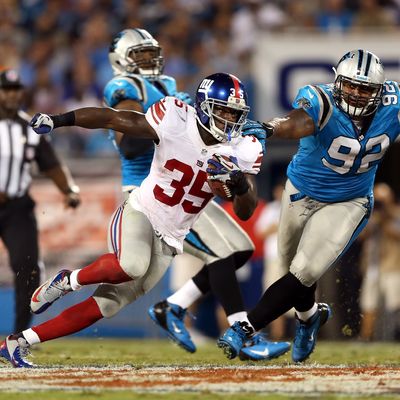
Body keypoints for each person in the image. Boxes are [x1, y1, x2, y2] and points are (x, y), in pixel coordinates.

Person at [0, 72, 288, 368]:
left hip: (173, 236)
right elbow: (113, 119)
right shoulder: (176, 118)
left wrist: (239, 185)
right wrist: (59, 120)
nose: (229, 119)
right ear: (203, 106)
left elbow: (245, 210)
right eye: (223, 110)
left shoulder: (242, 147)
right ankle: (68, 280)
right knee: (132, 264)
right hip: (142, 210)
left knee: (107, 305)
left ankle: (18, 342)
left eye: (234, 113)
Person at [103, 28, 288, 357]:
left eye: (151, 53)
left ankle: (173, 306)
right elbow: (131, 146)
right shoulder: (124, 88)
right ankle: (243, 333)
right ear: (121, 60)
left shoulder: (170, 87)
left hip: (187, 190)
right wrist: (161, 116)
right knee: (221, 253)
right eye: (139, 55)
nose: (148, 60)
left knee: (241, 249)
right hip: (153, 192)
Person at [217, 49, 400, 362]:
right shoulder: (320, 99)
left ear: (379, 91)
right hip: (300, 193)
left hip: (349, 200)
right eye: (350, 85)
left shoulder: (393, 105)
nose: (356, 93)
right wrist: (271, 129)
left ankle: (246, 328)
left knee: (304, 270)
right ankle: (309, 318)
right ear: (337, 82)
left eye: (365, 88)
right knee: (292, 272)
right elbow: (298, 122)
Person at [0, 68, 81, 333]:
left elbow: (51, 164)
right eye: (6, 90)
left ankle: (18, 336)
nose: (12, 95)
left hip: (17, 208)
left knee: (28, 269)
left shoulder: (30, 129)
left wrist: (69, 190)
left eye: (16, 89)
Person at [359, 183, 400, 341]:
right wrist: (374, 218)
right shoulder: (372, 216)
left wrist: (385, 220)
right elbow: (361, 237)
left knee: (393, 305)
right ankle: (366, 338)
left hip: (392, 265)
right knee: (368, 304)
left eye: (383, 199)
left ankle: (392, 338)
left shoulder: (396, 214)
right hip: (372, 266)